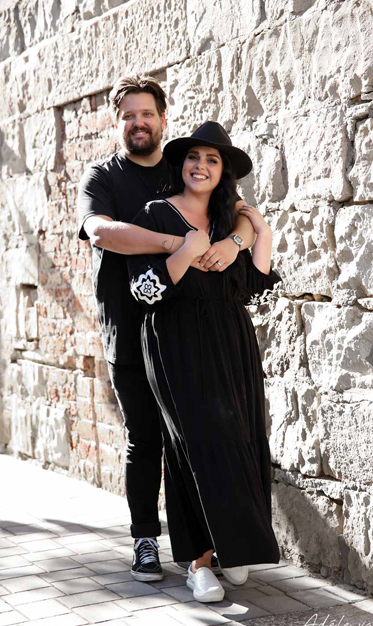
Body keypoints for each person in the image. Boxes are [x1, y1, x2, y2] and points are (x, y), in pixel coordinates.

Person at [77, 75, 257, 582]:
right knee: (145, 437)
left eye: (147, 114)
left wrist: (236, 242)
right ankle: (144, 540)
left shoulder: (182, 167)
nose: (138, 123)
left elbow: (237, 213)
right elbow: (99, 231)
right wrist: (176, 243)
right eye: (128, 116)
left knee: (198, 436)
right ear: (117, 123)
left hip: (188, 331)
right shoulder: (103, 177)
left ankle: (212, 546)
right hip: (128, 324)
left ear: (162, 119)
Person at [126, 121, 281, 602]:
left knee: (241, 437)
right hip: (175, 344)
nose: (201, 166)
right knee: (195, 445)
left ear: (223, 172)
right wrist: (185, 251)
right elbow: (142, 292)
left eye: (212, 160)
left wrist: (258, 232)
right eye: (194, 157)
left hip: (231, 342)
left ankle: (233, 547)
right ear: (181, 164)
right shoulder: (156, 213)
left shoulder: (228, 223)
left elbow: (252, 287)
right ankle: (198, 563)